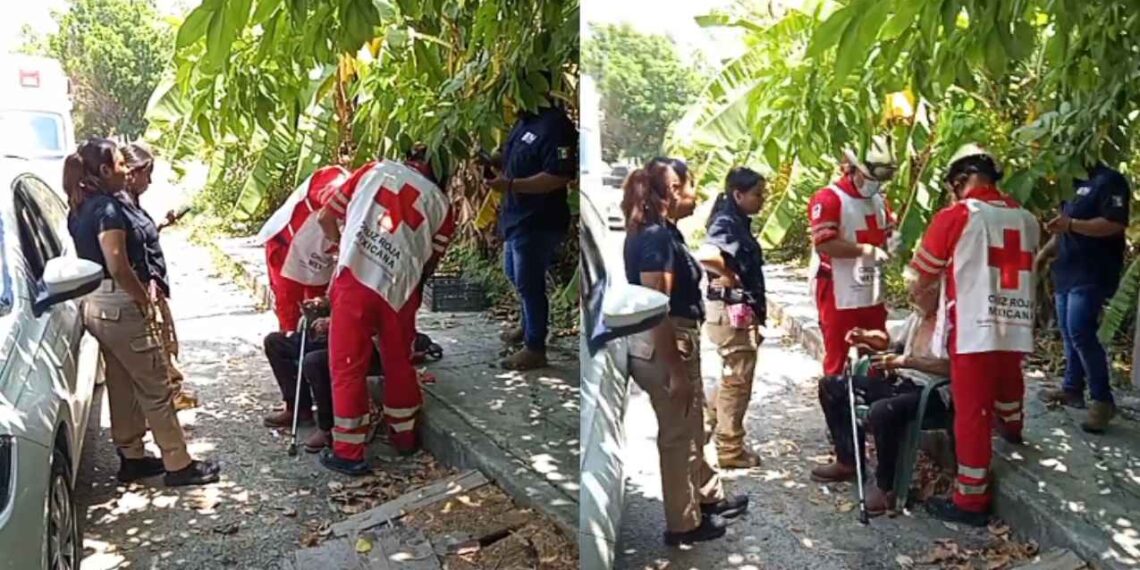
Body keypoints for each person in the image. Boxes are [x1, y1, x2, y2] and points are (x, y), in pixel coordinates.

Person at [65, 138, 219, 486]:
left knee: (121, 383)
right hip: (119, 301)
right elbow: (118, 265)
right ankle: (178, 463)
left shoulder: (80, 205)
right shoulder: (106, 209)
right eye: (120, 164)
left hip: (97, 302)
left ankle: (131, 455)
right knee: (154, 385)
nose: (125, 169)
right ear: (104, 170)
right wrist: (143, 300)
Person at [908, 143, 1038, 526]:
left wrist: (922, 306)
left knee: (972, 412)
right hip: (1015, 321)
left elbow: (922, 275)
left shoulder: (958, 216)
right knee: (1010, 380)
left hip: (973, 326)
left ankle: (970, 498)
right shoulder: (1027, 218)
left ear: (960, 181)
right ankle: (1013, 427)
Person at [621, 157, 748, 546]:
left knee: (695, 426)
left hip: (675, 340)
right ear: (674, 190)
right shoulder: (656, 237)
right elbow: (656, 307)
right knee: (678, 435)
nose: (697, 196)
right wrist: (675, 370)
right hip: (667, 344)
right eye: (693, 187)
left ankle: (706, 499)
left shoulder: (662, 232)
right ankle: (683, 524)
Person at [315, 145, 455, 475]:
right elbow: (430, 262)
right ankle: (404, 437)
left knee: (347, 365)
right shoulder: (442, 205)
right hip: (401, 289)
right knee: (399, 363)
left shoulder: (373, 170)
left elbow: (325, 217)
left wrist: (344, 250)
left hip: (355, 278)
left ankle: (349, 451)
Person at [813, 277, 952, 515]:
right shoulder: (917, 318)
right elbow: (890, 345)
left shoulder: (950, 323)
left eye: (916, 293)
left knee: (883, 411)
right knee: (831, 385)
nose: (911, 298)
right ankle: (847, 459)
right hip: (903, 384)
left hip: (934, 393)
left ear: (933, 293)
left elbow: (953, 367)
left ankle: (885, 486)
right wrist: (865, 338)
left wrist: (907, 361)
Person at [808, 138, 898, 482]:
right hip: (839, 290)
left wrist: (891, 242)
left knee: (878, 353)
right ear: (856, 168)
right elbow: (825, 241)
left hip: (872, 289)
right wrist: (864, 249)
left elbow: (887, 230)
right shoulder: (829, 198)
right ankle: (842, 436)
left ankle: (874, 420)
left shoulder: (878, 199)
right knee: (836, 362)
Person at [1035, 162, 1130, 433]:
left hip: (1094, 270)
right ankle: (1072, 388)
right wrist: (1043, 255)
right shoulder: (1071, 183)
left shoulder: (1109, 180)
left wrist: (1072, 224)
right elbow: (1064, 229)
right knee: (1068, 331)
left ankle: (1102, 400)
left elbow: (1113, 223)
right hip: (1067, 269)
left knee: (1080, 330)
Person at [486, 92, 577, 371]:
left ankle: (535, 347)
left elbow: (559, 176)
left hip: (539, 219)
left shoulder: (555, 125)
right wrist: (493, 160)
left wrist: (512, 185)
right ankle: (526, 327)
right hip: (516, 217)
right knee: (515, 274)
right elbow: (516, 156)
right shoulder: (525, 121)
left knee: (529, 281)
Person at [695, 167, 768, 469]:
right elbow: (707, 254)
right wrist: (730, 276)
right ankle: (730, 449)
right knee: (738, 380)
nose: (762, 200)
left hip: (735, 312)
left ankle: (706, 428)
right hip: (730, 312)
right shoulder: (727, 222)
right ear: (738, 194)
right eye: (757, 194)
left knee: (731, 377)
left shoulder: (734, 220)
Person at [120, 142, 198, 411]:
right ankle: (168, 397)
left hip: (153, 283)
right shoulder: (119, 208)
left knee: (166, 338)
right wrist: (147, 284)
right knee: (159, 343)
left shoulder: (131, 205)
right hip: (146, 286)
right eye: (146, 174)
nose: (150, 181)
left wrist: (160, 225)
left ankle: (172, 391)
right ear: (132, 172)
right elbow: (127, 253)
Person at [261, 297, 381, 452]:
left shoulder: (375, 280)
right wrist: (323, 304)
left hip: (362, 347)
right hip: (338, 336)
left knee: (313, 362)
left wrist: (334, 322)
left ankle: (327, 427)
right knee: (275, 342)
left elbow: (374, 320)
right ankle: (297, 408)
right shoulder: (345, 274)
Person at [256, 165, 349, 331]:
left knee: (319, 312)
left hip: (320, 259)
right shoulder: (334, 177)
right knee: (289, 312)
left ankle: (310, 351)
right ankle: (290, 350)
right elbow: (327, 205)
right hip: (286, 249)